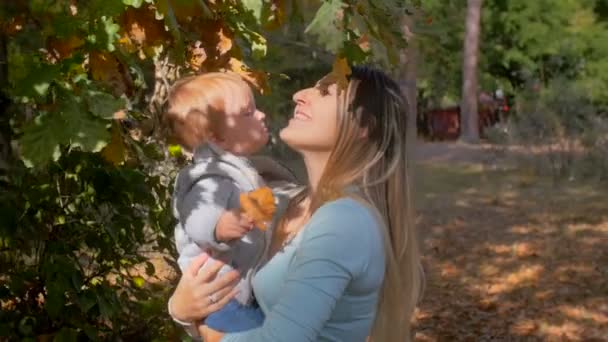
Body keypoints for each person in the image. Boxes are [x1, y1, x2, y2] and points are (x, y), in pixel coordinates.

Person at [169, 66, 424, 342]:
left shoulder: (346, 220)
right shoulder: (286, 199)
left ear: (364, 125)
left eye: (325, 91)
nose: (298, 95)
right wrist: (181, 309)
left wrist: (204, 330)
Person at [164, 72, 297, 334]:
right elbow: (196, 215)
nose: (261, 115)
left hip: (237, 289)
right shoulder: (206, 174)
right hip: (218, 292)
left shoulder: (243, 170)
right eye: (248, 112)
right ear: (216, 138)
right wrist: (219, 225)